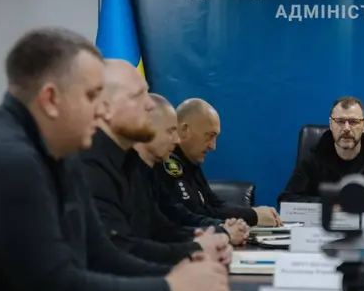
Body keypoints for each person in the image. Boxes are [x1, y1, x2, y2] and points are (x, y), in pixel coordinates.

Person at [0, 28, 228, 291]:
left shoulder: (60, 154)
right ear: (51, 99)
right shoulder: (7, 160)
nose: (102, 109)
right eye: (92, 96)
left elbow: (102, 255)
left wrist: (182, 275)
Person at [80, 60, 232, 265]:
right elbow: (117, 252)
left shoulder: (131, 164)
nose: (150, 105)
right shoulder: (89, 165)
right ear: (105, 107)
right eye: (138, 96)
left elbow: (160, 228)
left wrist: (207, 242)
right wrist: (191, 255)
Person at [137, 94, 249, 245]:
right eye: (170, 131)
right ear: (146, 129)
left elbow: (176, 216)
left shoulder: (148, 174)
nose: (176, 139)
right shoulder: (123, 174)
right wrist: (222, 233)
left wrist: (222, 228)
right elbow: (159, 232)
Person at [278, 96, 364, 213]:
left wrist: (362, 205)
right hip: (323, 229)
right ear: (331, 124)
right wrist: (330, 204)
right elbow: (286, 200)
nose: (346, 128)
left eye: (353, 122)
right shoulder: (314, 157)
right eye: (339, 121)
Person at [157, 98, 282, 227]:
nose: (213, 146)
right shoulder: (168, 164)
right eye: (209, 136)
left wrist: (253, 212)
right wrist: (252, 216)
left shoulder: (190, 162)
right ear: (184, 129)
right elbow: (192, 214)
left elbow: (215, 205)